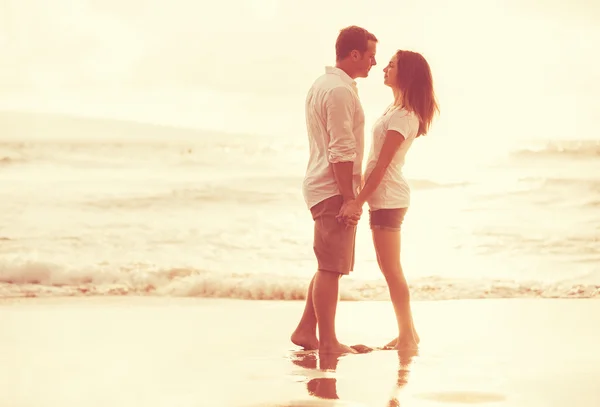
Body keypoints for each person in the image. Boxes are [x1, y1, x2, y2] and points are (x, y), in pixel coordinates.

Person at [338, 50, 439, 350]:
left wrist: (357, 201)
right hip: (383, 197)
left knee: (391, 269)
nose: (384, 68)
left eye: (391, 65)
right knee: (389, 267)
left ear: (405, 73)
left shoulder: (405, 116)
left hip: (388, 198)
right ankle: (409, 332)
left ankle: (407, 335)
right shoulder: (395, 109)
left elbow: (382, 166)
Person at [290, 25, 378, 355]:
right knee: (331, 267)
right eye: (370, 55)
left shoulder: (323, 84)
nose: (374, 62)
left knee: (329, 263)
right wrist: (349, 198)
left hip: (321, 183)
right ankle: (327, 341)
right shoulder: (339, 92)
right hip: (331, 188)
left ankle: (305, 330)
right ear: (354, 54)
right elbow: (341, 149)